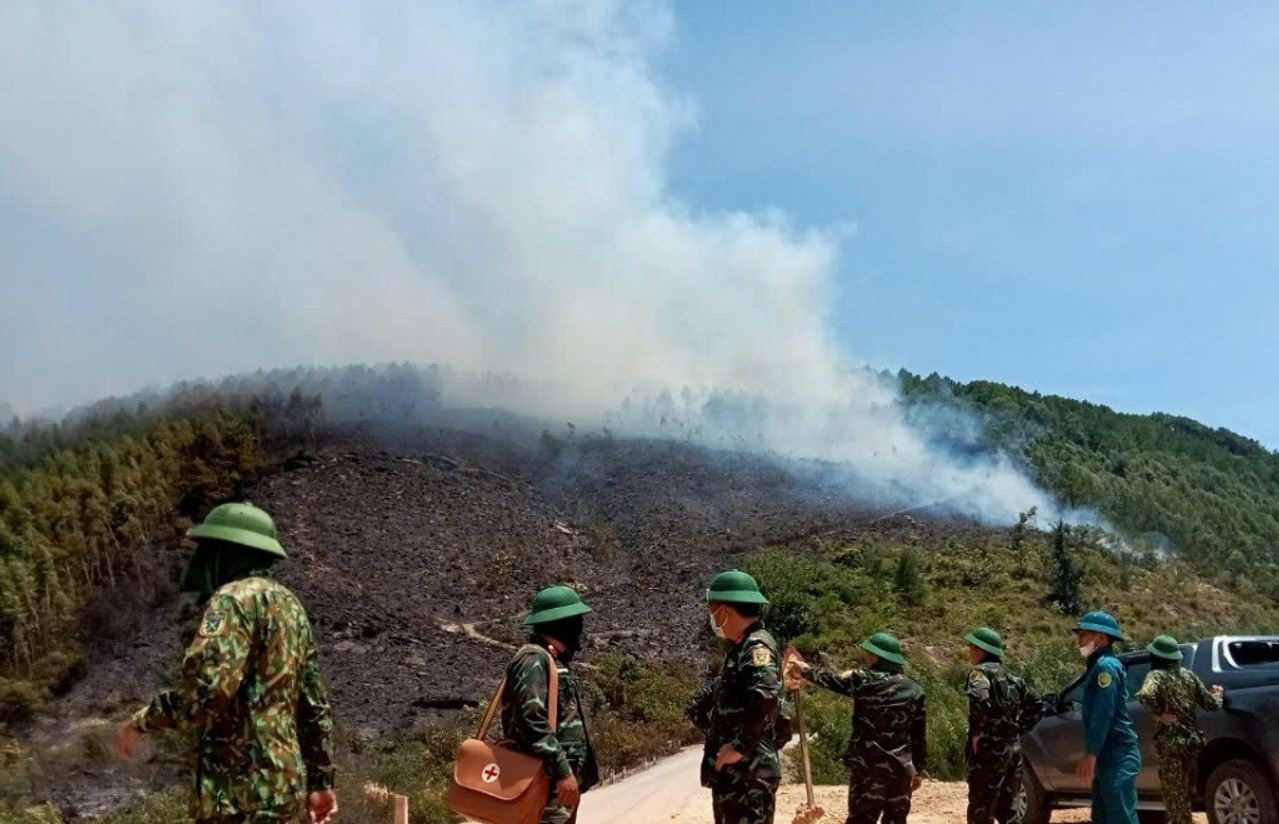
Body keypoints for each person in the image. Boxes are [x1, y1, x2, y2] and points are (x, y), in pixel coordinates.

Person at [114, 502, 337, 824]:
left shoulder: (230, 601)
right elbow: (314, 704)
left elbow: (208, 694)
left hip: (235, 796)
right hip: (283, 790)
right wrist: (321, 782)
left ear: (224, 552)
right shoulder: (291, 606)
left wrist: (143, 721)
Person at [786, 632, 927, 824]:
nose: (866, 657)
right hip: (900, 771)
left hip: (868, 769)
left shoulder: (864, 680)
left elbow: (832, 681)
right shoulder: (915, 689)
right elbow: (919, 735)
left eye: (869, 653)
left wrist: (805, 670)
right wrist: (917, 770)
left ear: (877, 657)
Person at [501, 585, 599, 824]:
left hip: (554, 782)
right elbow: (531, 719)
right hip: (545, 779)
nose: (580, 628)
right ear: (561, 623)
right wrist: (562, 770)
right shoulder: (533, 659)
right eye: (575, 620)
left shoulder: (550, 660)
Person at [701, 569, 784, 824]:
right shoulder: (742, 647)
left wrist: (739, 746)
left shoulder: (757, 647)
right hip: (739, 775)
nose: (712, 617)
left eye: (713, 609)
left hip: (749, 775)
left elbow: (766, 696)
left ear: (725, 610)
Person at [1136, 634, 1224, 824]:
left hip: (1171, 744)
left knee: (1173, 793)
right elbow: (1212, 705)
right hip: (1192, 743)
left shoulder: (1156, 675)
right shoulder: (1189, 676)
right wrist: (1218, 694)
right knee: (1186, 790)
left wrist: (1159, 714)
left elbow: (1145, 694)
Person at [963, 628, 1042, 824]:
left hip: (988, 752)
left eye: (972, 646)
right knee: (1009, 811)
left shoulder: (979, 674)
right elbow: (1037, 706)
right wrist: (1017, 729)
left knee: (981, 810)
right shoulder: (1013, 678)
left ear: (982, 650)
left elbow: (979, 700)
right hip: (1013, 750)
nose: (969, 650)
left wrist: (978, 732)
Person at [1071, 610, 1141, 824]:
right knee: (1103, 816)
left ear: (1100, 638)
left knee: (1120, 816)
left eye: (1084, 634)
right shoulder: (1099, 665)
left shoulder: (1106, 668)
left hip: (1117, 753)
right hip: (1108, 754)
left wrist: (1091, 751)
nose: (1080, 640)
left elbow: (1103, 712)